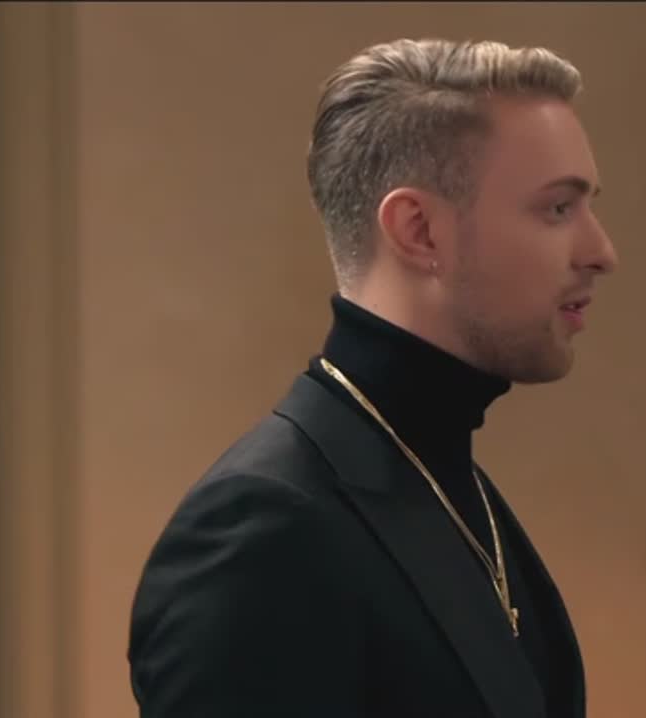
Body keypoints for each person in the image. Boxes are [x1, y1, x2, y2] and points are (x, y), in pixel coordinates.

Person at [126, 38, 620, 718]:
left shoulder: (448, 482)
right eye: (558, 208)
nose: (601, 251)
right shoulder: (266, 532)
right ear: (419, 231)